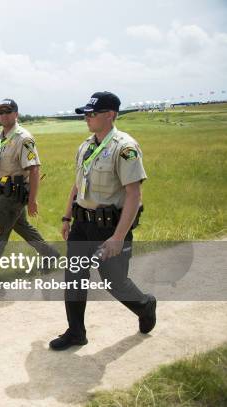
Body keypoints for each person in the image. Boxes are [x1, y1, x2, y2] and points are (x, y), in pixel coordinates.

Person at [49, 91, 157, 351]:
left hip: (109, 227)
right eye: (86, 113)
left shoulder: (125, 148)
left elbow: (134, 195)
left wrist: (118, 237)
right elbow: (77, 186)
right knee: (74, 277)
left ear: (110, 115)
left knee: (114, 282)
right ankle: (76, 332)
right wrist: (66, 216)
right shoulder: (86, 146)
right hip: (81, 224)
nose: (87, 117)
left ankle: (144, 305)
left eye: (92, 113)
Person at [0, 98, 59, 287]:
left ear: (16, 114)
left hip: (14, 195)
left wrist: (33, 200)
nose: (3, 115)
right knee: (22, 226)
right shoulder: (0, 137)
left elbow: (34, 169)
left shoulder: (23, 138)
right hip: (4, 193)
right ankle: (51, 255)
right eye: (0, 112)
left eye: (8, 112)